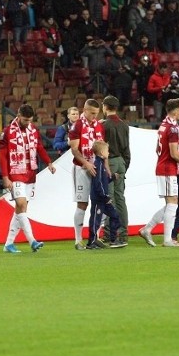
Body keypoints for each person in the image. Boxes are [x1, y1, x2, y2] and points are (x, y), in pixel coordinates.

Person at [0, 104, 55, 253]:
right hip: (15, 173)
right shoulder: (8, 132)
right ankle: (32, 241)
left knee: (21, 209)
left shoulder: (33, 130)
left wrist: (48, 162)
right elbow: (3, 156)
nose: (27, 123)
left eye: (29, 120)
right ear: (18, 115)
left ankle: (8, 244)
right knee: (22, 204)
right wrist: (5, 176)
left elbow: (39, 148)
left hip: (30, 173)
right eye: (25, 120)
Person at [139, 98, 179, 247]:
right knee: (173, 202)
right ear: (175, 111)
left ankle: (148, 229)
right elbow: (174, 154)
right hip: (168, 168)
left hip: (164, 167)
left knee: (172, 203)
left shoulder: (164, 124)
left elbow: (159, 149)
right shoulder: (173, 128)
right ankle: (167, 239)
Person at [69, 99, 105, 250]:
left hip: (97, 169)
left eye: (96, 114)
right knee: (82, 204)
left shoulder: (99, 126)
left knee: (100, 202)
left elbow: (102, 147)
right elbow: (74, 149)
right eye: (92, 113)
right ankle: (78, 240)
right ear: (84, 109)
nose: (94, 116)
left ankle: (94, 237)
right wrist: (86, 163)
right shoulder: (77, 125)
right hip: (82, 169)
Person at [85, 140, 125, 249]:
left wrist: (111, 177)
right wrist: (105, 197)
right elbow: (98, 184)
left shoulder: (101, 164)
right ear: (101, 152)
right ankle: (91, 242)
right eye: (107, 150)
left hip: (103, 198)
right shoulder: (97, 165)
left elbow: (103, 181)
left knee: (115, 216)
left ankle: (113, 239)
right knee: (95, 220)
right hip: (99, 199)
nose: (108, 152)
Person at [101, 96, 130, 245]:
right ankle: (123, 234)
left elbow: (101, 147)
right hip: (121, 162)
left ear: (104, 107)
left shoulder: (104, 126)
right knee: (120, 199)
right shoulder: (124, 125)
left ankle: (109, 234)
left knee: (109, 198)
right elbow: (127, 149)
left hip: (109, 162)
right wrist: (125, 167)